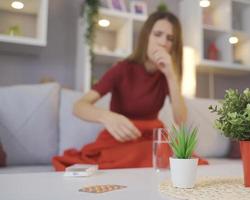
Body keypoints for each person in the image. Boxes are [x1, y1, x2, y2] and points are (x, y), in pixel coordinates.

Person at [52, 11, 207, 171]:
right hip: (120, 139)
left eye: (170, 38)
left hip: (151, 139)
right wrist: (107, 117)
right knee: (145, 157)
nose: (163, 42)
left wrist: (171, 76)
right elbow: (79, 106)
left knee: (165, 156)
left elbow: (181, 119)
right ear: (146, 36)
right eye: (158, 34)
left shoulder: (167, 75)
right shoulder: (122, 69)